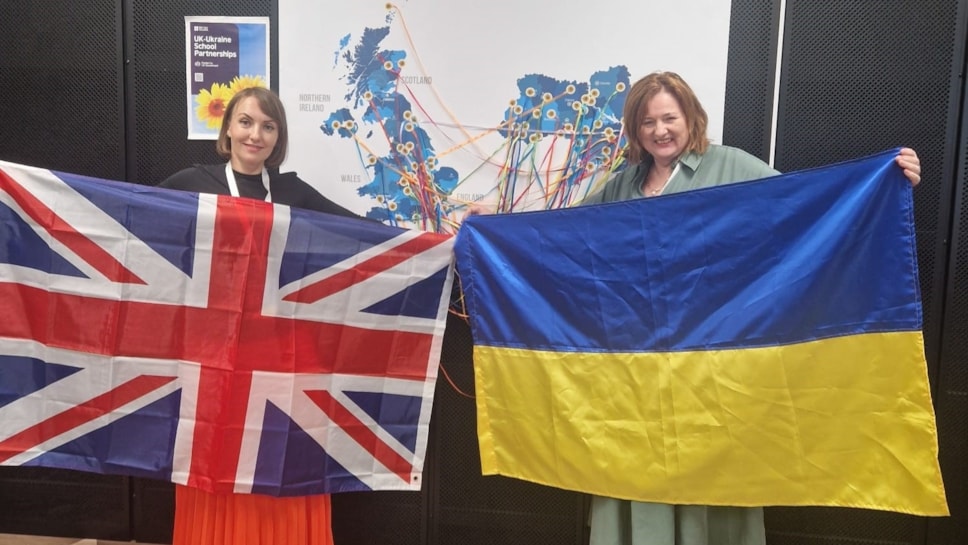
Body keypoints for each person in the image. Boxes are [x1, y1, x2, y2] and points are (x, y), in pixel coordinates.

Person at [576, 71, 921, 545]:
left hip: (711, 362)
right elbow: (566, 235)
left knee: (710, 474)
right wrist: (496, 231)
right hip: (639, 369)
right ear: (635, 130)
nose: (660, 131)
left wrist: (885, 181)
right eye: (647, 122)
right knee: (638, 467)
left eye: (669, 118)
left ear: (690, 116)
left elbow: (805, 206)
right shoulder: (622, 186)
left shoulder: (730, 166)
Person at [159, 86, 357, 545]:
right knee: (216, 453)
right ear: (228, 127)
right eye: (246, 122)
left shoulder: (291, 191)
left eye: (268, 126)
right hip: (215, 355)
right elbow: (127, 218)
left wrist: (443, 241)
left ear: (278, 137)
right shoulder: (192, 183)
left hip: (279, 354)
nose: (256, 134)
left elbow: (360, 234)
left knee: (280, 458)